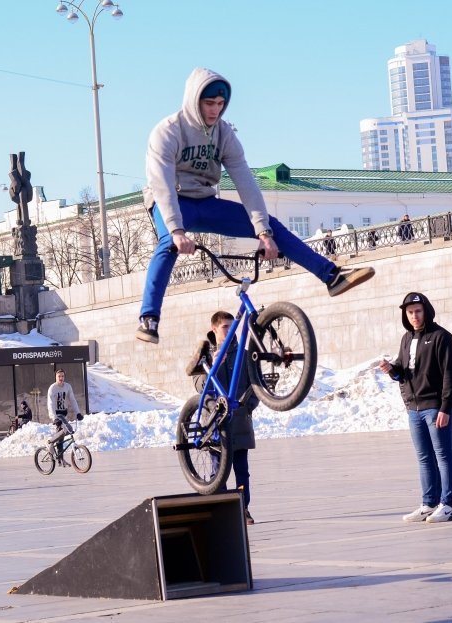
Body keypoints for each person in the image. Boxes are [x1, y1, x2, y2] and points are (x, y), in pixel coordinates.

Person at [136, 68, 374, 344]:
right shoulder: (168, 131)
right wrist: (177, 230)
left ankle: (331, 277)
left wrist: (263, 233)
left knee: (272, 226)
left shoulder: (224, 134)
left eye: (220, 104)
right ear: (194, 100)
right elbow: (162, 183)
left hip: (204, 201)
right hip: (172, 201)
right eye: (209, 103)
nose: (215, 111)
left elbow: (246, 183)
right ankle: (149, 318)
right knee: (167, 245)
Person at [378, 292, 452, 523]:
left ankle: (448, 504)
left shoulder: (441, 336)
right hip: (414, 409)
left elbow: (451, 375)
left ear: (426, 310)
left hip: (435, 407)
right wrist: (392, 369)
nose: (414, 316)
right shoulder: (407, 339)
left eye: (418, 311)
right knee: (424, 457)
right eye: (410, 312)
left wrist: (445, 407)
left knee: (444, 456)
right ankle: (429, 503)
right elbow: (405, 371)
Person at [189, 311, 260, 525]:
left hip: (239, 423)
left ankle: (243, 509)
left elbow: (256, 386)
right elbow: (199, 386)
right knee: (217, 473)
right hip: (214, 426)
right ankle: (222, 512)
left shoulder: (245, 355)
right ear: (214, 329)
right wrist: (215, 365)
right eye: (225, 327)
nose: (230, 331)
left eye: (232, 326)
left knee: (242, 471)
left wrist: (248, 407)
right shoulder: (205, 356)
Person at [46, 369, 84, 465]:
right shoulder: (52, 388)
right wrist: (54, 418)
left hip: (64, 413)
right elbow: (50, 404)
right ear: (56, 377)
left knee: (61, 437)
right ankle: (50, 442)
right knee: (67, 430)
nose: (61, 378)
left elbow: (73, 400)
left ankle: (60, 459)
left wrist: (78, 413)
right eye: (59, 376)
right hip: (56, 414)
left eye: (62, 376)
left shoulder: (67, 387)